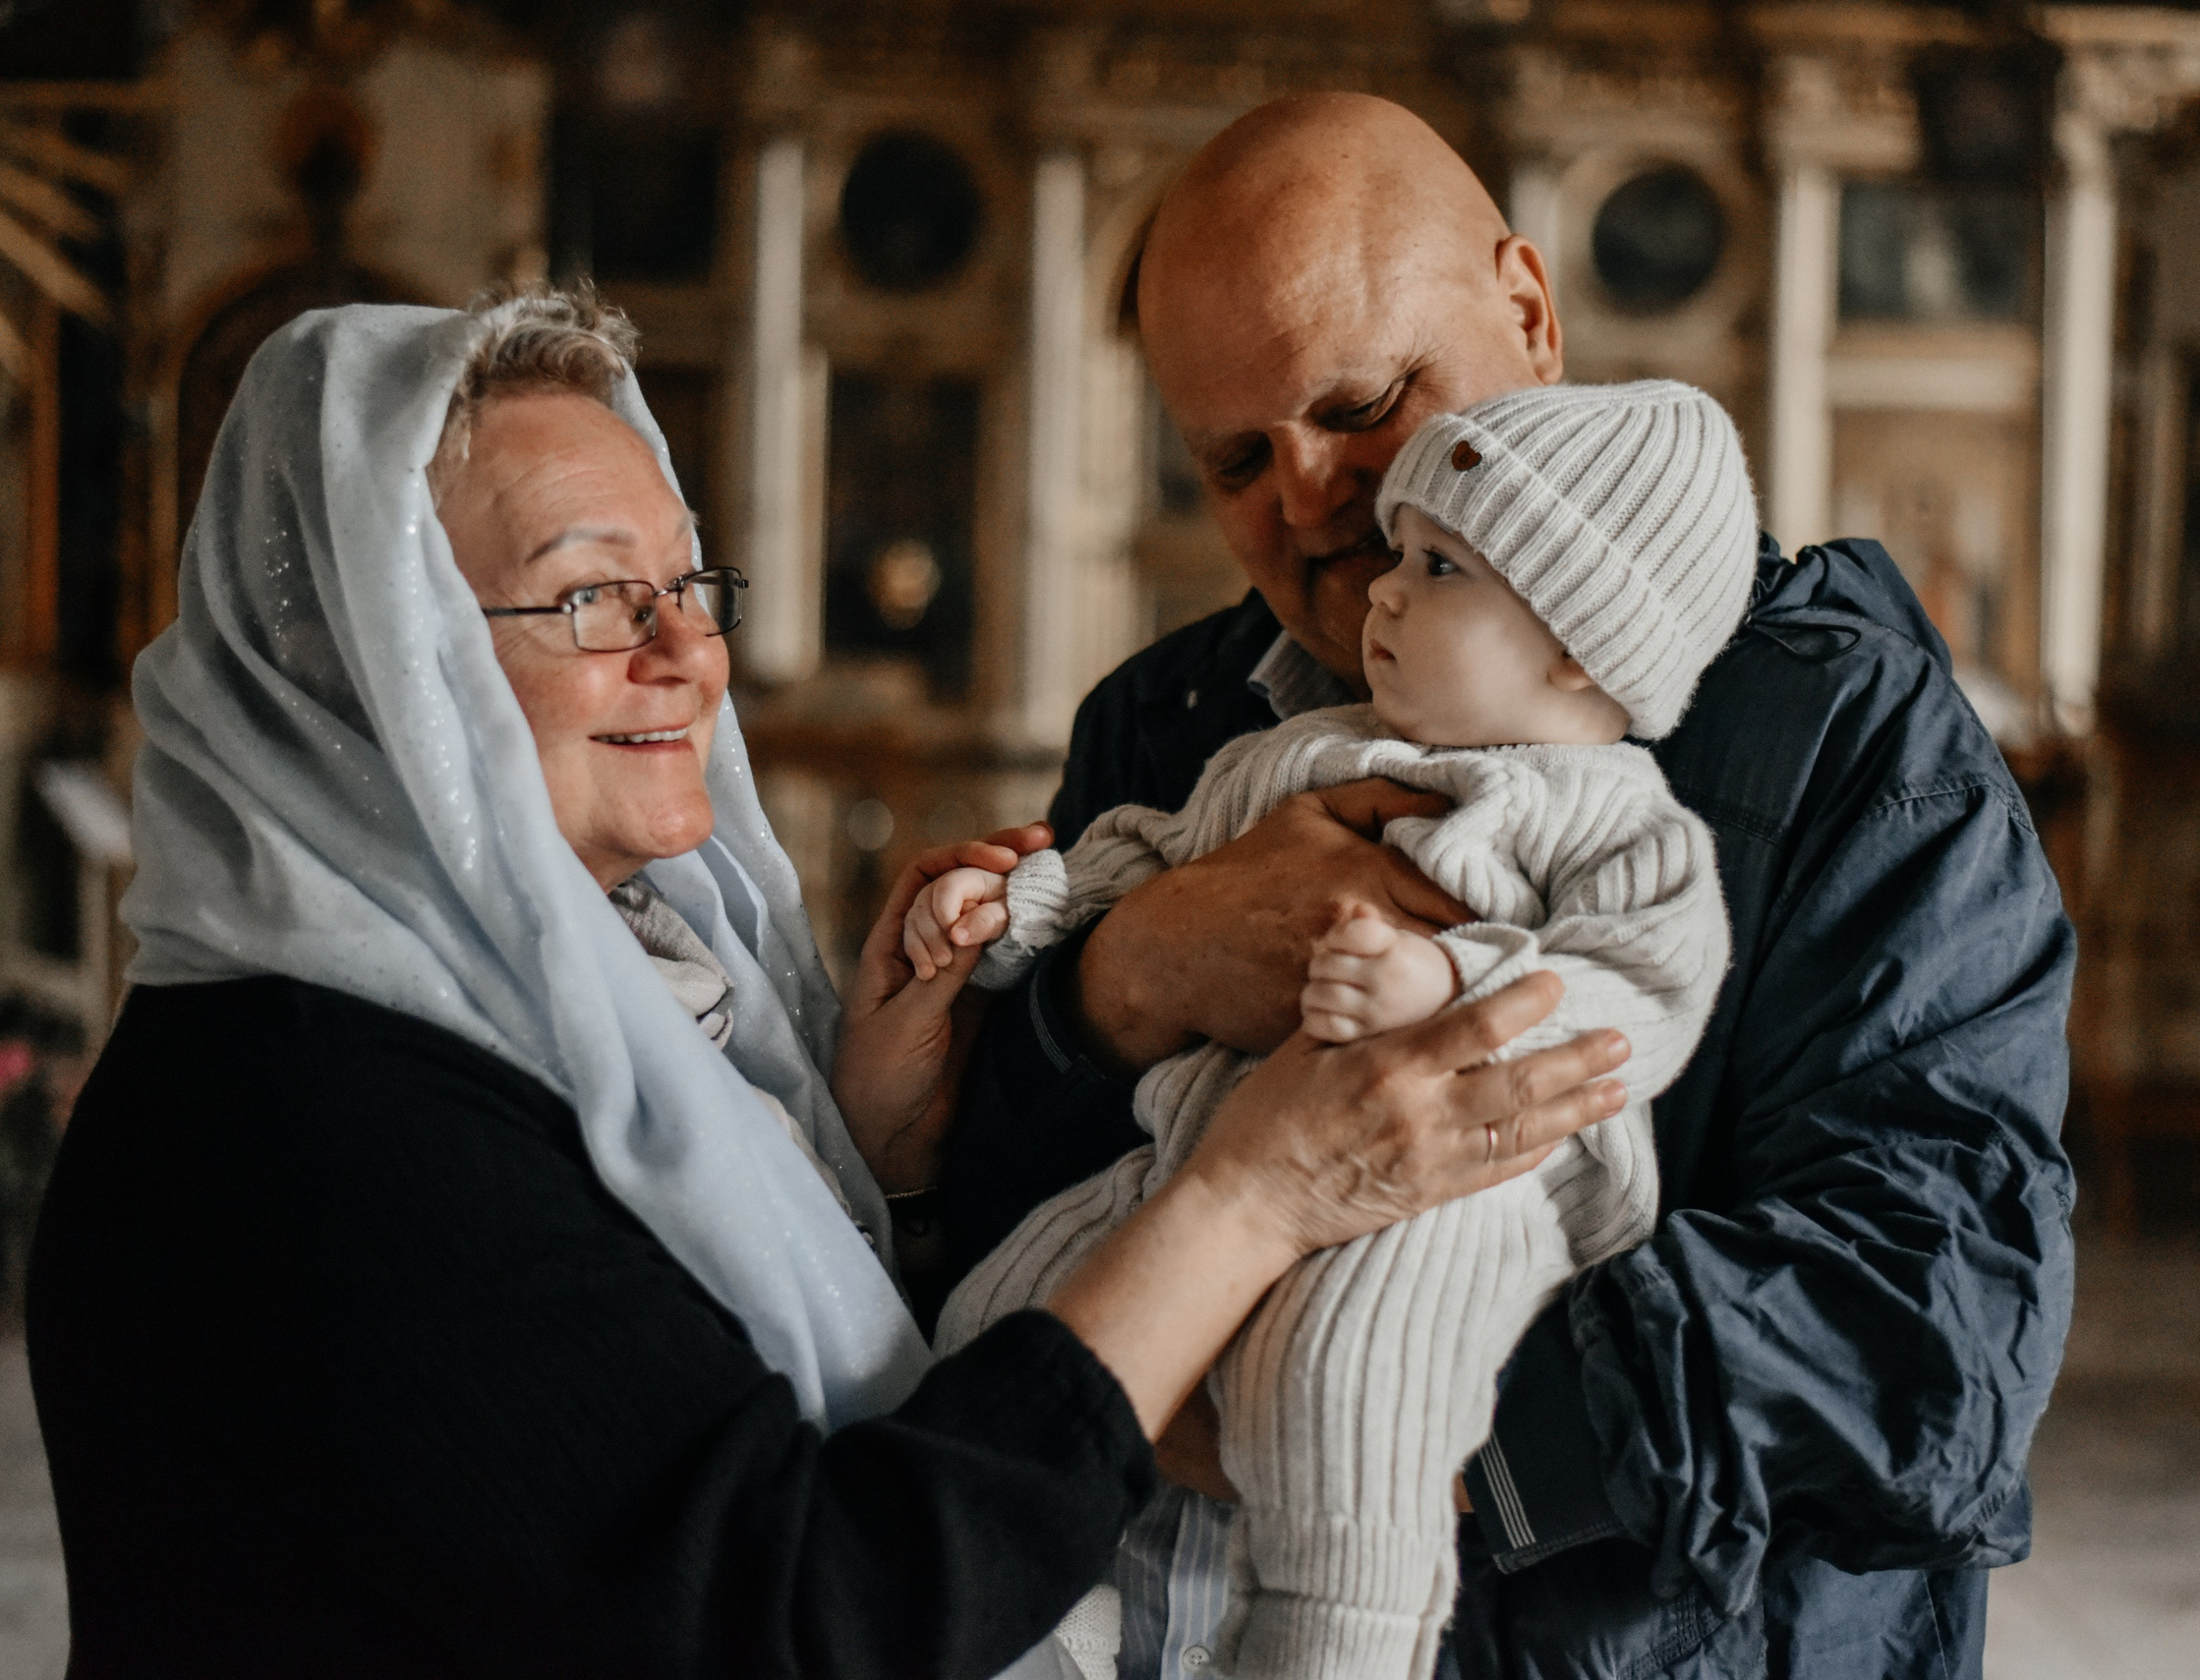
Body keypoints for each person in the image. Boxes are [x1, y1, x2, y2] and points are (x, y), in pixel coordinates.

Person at [25, 289, 1631, 1680]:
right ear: (378, 668)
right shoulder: (305, 1112)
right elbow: (806, 1614)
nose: (686, 653)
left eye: (689, 582)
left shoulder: (590, 1004)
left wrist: (868, 1155)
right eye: (594, 596)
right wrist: (1251, 1195)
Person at [937, 94, 2078, 1680]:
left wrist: (1360, 1416)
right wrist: (1124, 977)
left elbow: (1934, 1332)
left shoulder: (1842, 731)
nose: (1316, 494)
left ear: (1530, 315)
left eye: (1367, 399)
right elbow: (965, 1192)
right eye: (1234, 459)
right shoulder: (1160, 726)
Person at [917, 380, 1757, 1680]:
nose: (1384, 590)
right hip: (1208, 1158)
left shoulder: (1617, 819)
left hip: (1453, 1191)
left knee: (1345, 1388)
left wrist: (1451, 987)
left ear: (1581, 641)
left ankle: (1336, 1644)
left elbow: (1644, 984)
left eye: (1438, 565)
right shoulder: (1303, 752)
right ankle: (1017, 1606)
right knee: (1000, 1317)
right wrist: (1027, 900)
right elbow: (1155, 850)